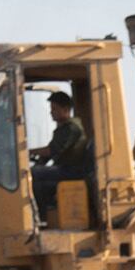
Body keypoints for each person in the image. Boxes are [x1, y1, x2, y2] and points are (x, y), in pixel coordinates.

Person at [30, 91, 91, 219]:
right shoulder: (63, 128)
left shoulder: (72, 128)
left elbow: (51, 150)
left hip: (72, 171)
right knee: (34, 176)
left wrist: (29, 152)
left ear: (66, 109)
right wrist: (39, 161)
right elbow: (49, 154)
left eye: (54, 109)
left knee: (34, 174)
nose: (51, 112)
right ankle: (43, 215)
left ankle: (41, 218)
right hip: (66, 169)